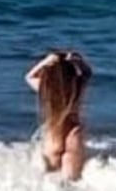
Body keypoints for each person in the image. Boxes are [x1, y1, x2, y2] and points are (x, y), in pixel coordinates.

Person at [25, 49, 93, 180]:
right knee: (72, 180)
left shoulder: (47, 89)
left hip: (53, 131)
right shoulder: (76, 88)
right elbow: (87, 73)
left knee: (50, 175)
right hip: (73, 130)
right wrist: (78, 60)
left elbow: (29, 77)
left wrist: (46, 61)